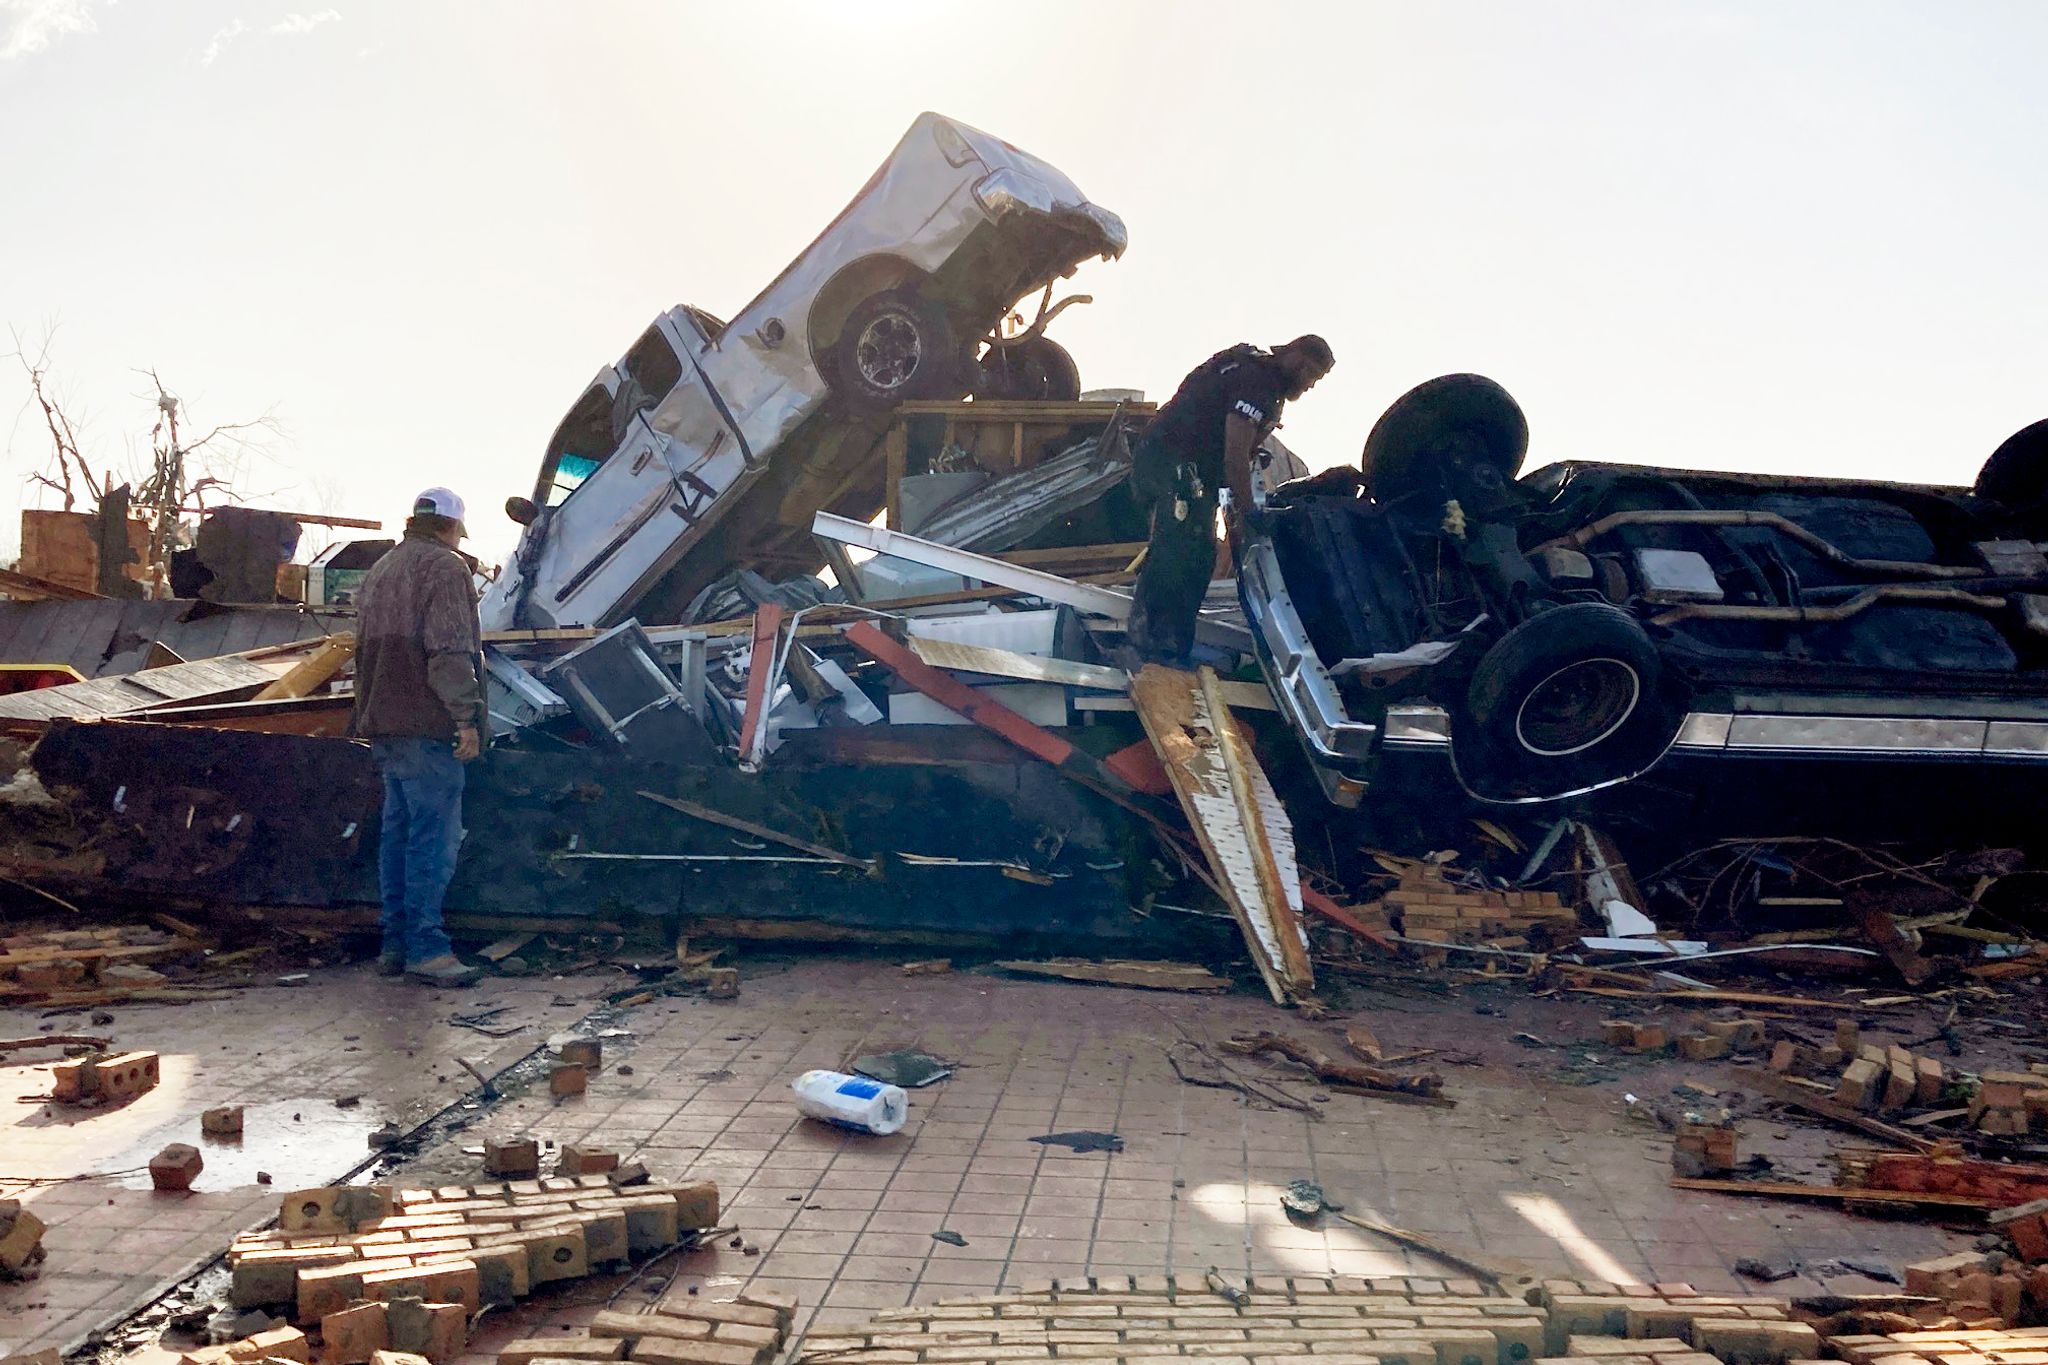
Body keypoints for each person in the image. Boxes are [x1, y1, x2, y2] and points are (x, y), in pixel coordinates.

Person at [1126, 335, 1334, 666]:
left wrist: (1234, 504)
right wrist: (1249, 511)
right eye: (1311, 374)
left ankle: (1167, 646)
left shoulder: (1258, 375)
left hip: (1184, 466)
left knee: (1197, 552)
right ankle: (1147, 646)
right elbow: (1235, 455)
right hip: (1175, 462)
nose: (1309, 386)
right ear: (1296, 358)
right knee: (1183, 549)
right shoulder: (1258, 382)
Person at [351, 488, 489, 985]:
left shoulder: (382, 569)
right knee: (433, 840)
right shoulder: (446, 569)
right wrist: (465, 719)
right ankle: (428, 949)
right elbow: (449, 650)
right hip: (426, 725)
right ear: (451, 529)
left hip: (383, 723)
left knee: (399, 836)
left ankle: (395, 944)